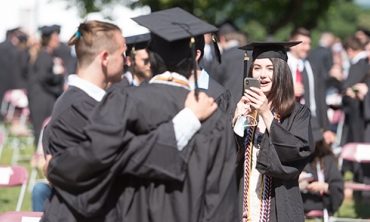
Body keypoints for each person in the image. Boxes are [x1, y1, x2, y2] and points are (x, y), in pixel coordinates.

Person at [44, 7, 238, 222]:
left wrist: (56, 166)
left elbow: (99, 159)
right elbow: (221, 205)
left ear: (150, 58)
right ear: (195, 59)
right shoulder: (214, 117)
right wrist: (187, 120)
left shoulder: (123, 103)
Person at [234, 41, 314, 221]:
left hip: (279, 202)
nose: (262, 75)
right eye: (257, 68)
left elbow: (296, 154)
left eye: (270, 68)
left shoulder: (297, 113)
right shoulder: (243, 110)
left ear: (281, 72)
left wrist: (266, 114)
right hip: (242, 204)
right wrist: (235, 123)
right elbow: (225, 158)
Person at [288, 27, 335, 146]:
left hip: (311, 122)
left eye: (309, 44)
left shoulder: (313, 68)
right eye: (303, 44)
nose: (307, 48)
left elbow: (320, 98)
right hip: (288, 122)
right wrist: (288, 91)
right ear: (292, 44)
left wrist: (326, 128)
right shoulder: (281, 65)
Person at [27, 25, 65, 146]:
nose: (58, 40)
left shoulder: (50, 55)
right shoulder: (43, 56)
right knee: (42, 128)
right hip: (42, 98)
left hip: (46, 96)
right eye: (55, 38)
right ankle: (40, 157)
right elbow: (45, 77)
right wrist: (59, 75)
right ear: (48, 40)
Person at [299, 120, 344, 220]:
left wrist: (323, 186)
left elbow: (338, 188)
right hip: (296, 200)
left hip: (317, 201)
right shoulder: (294, 157)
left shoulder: (326, 159)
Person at [211, 20, 246, 103]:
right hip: (251, 107)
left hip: (228, 107)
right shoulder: (251, 54)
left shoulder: (221, 59)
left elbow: (213, 87)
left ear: (222, 39)